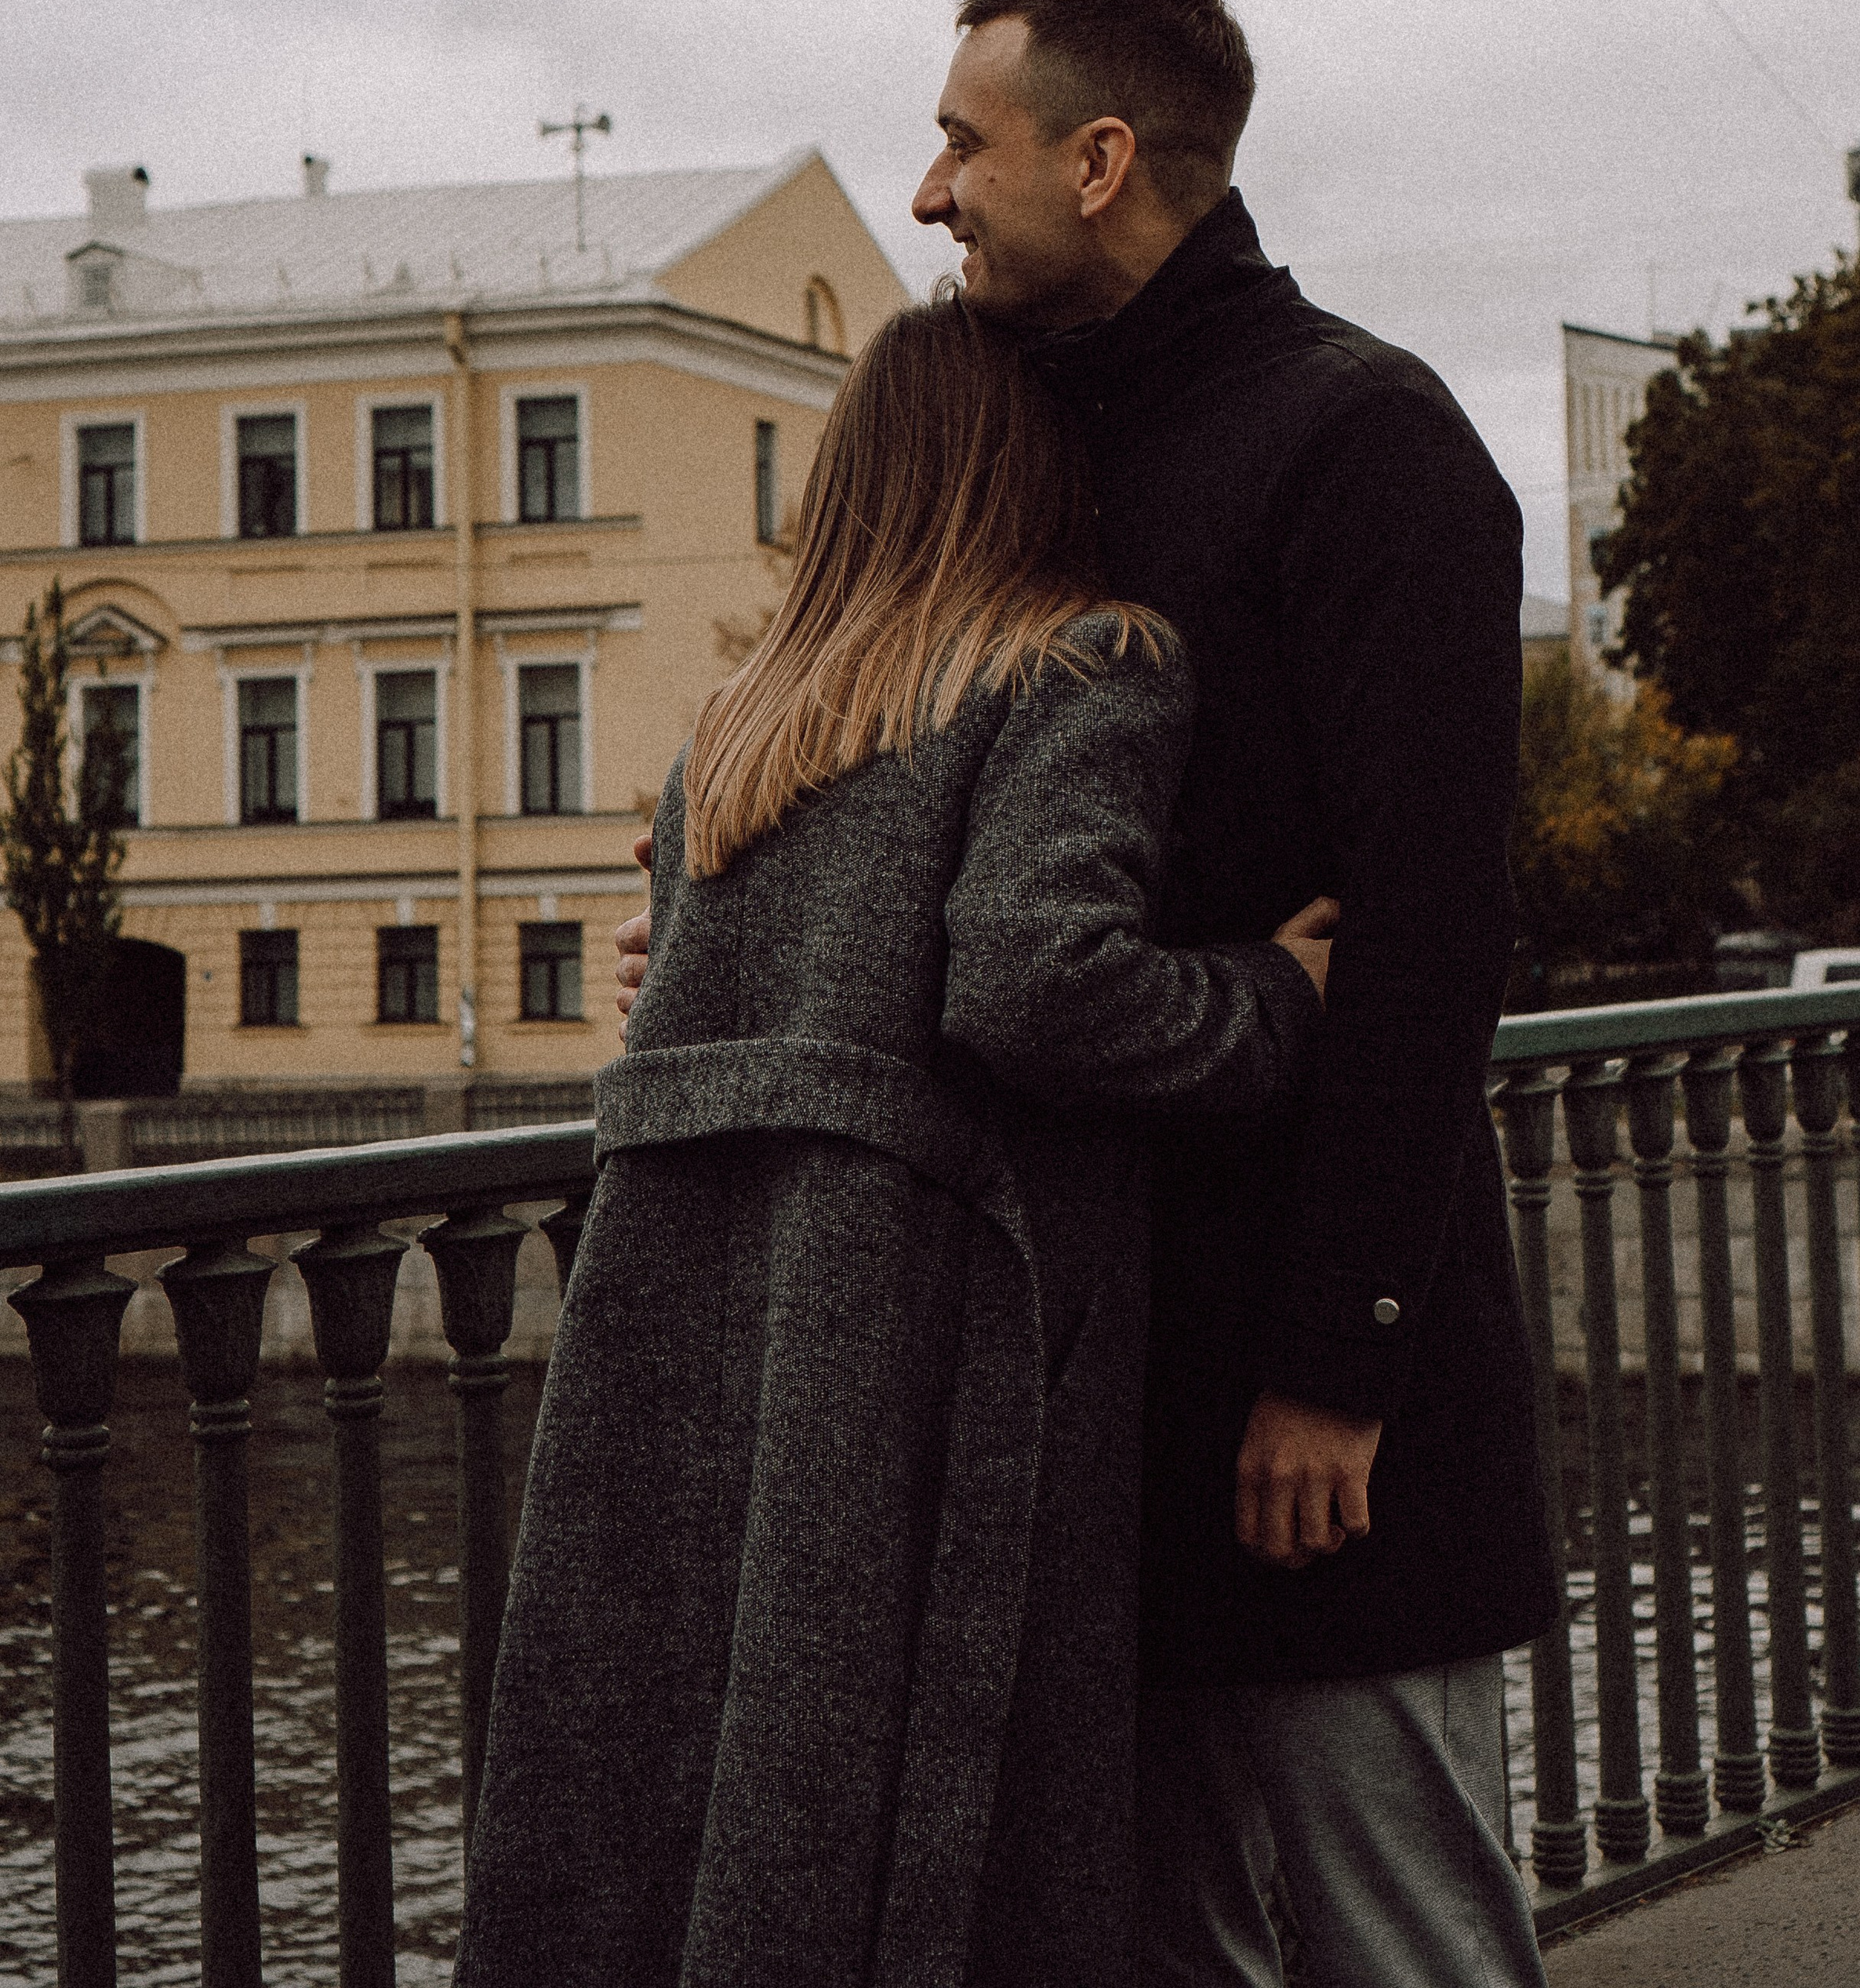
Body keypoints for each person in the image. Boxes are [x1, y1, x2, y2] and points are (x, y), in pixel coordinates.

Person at [620, 0, 1555, 1986]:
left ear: (1104, 157)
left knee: (1396, 1944)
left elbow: (1427, 941)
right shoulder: (1018, 441)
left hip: (1309, 1401)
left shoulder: (1365, 440)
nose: (932, 190)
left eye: (966, 140)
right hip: (1064, 1402)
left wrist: (1339, 1363)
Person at [459, 290, 1331, 1988]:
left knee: (698, 1790)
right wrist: (1277, 995)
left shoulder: (739, 728)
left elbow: (692, 1003)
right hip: (925, 1335)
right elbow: (1031, 982)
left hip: (678, 1325)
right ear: (1038, 459)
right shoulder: (1088, 660)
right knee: (942, 1818)